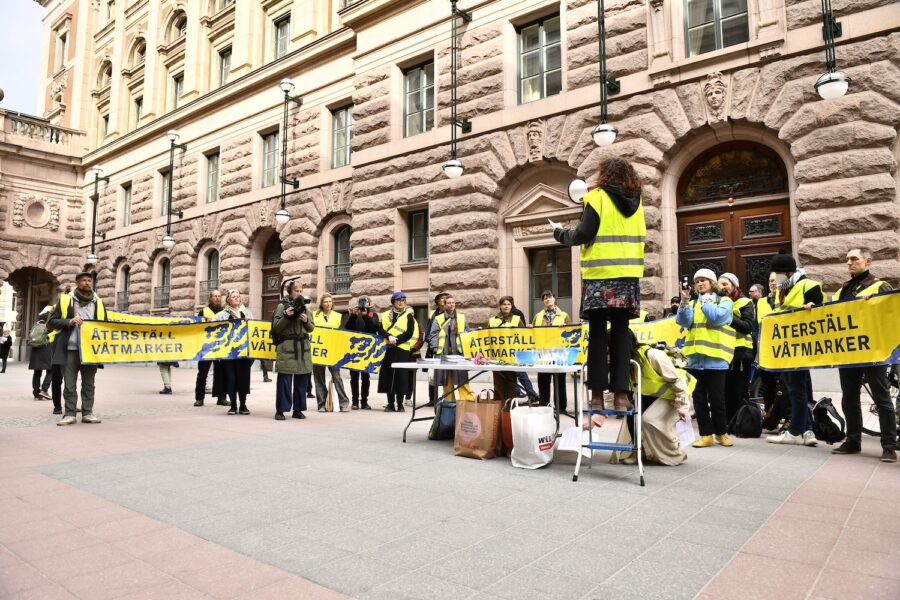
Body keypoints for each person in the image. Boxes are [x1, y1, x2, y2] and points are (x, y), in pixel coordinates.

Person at [553, 158, 646, 412]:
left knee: (596, 334)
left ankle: (596, 394)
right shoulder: (637, 203)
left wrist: (560, 233)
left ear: (605, 175)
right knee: (620, 333)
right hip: (628, 276)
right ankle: (621, 395)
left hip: (600, 275)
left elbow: (583, 234)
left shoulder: (597, 197)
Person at [830, 247, 897, 462]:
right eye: (847, 259)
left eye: (854, 259)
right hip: (849, 353)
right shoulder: (843, 290)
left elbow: (892, 313)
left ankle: (888, 446)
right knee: (850, 398)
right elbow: (830, 313)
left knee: (882, 398)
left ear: (868, 261)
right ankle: (853, 440)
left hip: (873, 352)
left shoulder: (880, 286)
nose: (849, 262)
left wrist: (877, 302)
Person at [610, 332, 696, 466]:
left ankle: (673, 455)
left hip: (676, 394)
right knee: (632, 415)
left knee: (650, 419)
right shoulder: (625, 362)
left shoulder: (652, 355)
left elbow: (678, 382)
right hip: (652, 395)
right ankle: (638, 451)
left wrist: (682, 406)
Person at [766, 253, 824, 446]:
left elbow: (822, 311)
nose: (775, 278)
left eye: (778, 273)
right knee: (796, 390)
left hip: (801, 346)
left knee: (797, 390)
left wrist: (813, 307)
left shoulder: (809, 285)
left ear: (789, 272)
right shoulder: (782, 290)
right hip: (786, 347)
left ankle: (795, 431)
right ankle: (807, 431)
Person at [676, 268, 735, 448]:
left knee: (717, 400)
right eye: (697, 281)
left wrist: (707, 301)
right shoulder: (693, 303)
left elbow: (716, 318)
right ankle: (706, 435)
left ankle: (721, 433)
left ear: (712, 283)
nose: (700, 283)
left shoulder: (724, 301)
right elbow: (683, 322)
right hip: (695, 360)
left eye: (704, 280)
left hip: (716, 359)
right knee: (699, 399)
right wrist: (685, 301)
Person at [48, 271, 109, 425]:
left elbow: (105, 325)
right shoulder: (65, 300)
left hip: (90, 350)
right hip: (69, 349)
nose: (87, 283)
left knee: (89, 384)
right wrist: (70, 321)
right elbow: (52, 322)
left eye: (89, 280)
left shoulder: (98, 302)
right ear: (77, 282)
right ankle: (70, 414)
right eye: (84, 280)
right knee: (69, 384)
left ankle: (88, 412)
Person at [272, 279, 314, 420]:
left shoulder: (306, 308)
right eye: (296, 290)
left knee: (302, 381)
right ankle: (281, 410)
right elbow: (276, 327)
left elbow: (311, 328)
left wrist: (305, 321)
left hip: (303, 349)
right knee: (284, 381)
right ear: (290, 292)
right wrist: (286, 316)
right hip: (287, 348)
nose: (299, 292)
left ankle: (298, 410)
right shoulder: (282, 306)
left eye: (301, 290)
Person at [718, 273, 755, 425]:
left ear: (734, 286)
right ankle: (728, 422)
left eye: (725, 284)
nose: (722, 287)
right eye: (720, 284)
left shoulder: (745, 302)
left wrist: (728, 316)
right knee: (725, 390)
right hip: (723, 352)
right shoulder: (718, 302)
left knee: (739, 390)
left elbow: (747, 327)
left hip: (740, 352)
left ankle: (741, 423)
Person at [428, 294, 474, 401]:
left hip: (458, 353)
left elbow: (467, 333)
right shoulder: (438, 319)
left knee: (462, 378)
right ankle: (449, 403)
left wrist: (466, 349)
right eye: (449, 303)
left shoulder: (462, 317)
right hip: (444, 354)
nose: (451, 305)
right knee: (447, 381)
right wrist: (436, 349)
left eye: (453, 303)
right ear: (444, 305)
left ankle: (467, 401)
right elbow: (433, 335)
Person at [215, 289, 254, 415]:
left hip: (243, 353)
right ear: (228, 300)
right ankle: (233, 405)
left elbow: (253, 329)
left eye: (238, 296)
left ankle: (243, 405)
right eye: (233, 297)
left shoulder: (247, 313)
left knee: (243, 378)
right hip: (229, 353)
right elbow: (215, 331)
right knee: (231, 378)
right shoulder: (221, 315)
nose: (236, 298)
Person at [378, 291, 417, 412]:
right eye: (399, 300)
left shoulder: (408, 315)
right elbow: (380, 329)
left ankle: (400, 404)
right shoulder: (385, 315)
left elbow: (410, 332)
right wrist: (388, 336)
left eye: (403, 300)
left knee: (401, 376)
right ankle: (390, 404)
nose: (401, 302)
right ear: (393, 302)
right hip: (387, 348)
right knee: (388, 375)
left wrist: (397, 340)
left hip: (402, 349)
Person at [532, 290, 571, 412]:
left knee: (559, 381)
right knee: (543, 380)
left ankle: (561, 407)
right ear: (543, 301)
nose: (547, 299)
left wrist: (566, 327)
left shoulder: (564, 315)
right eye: (545, 298)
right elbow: (532, 332)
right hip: (542, 353)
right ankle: (544, 406)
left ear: (554, 299)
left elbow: (571, 333)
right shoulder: (537, 316)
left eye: (549, 297)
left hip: (559, 353)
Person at [312, 293, 351, 412]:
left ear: (332, 303)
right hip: (318, 351)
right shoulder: (314, 315)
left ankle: (344, 402)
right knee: (319, 377)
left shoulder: (338, 316)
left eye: (330, 301)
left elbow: (342, 334)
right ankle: (322, 404)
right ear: (321, 304)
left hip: (333, 350)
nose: (328, 304)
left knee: (336, 376)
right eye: (326, 302)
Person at [195, 290, 227, 407]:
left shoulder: (225, 312)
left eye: (219, 296)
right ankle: (199, 398)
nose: (217, 298)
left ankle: (221, 398)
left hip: (221, 346)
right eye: (215, 296)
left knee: (222, 373)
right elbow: (197, 328)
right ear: (210, 298)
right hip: (206, 347)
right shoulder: (203, 312)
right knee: (202, 373)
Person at [488, 296, 524, 402]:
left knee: (511, 383)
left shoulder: (517, 319)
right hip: (497, 357)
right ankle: (498, 408)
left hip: (511, 357)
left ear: (511, 306)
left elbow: (524, 335)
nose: (506, 306)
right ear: (500, 306)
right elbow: (487, 336)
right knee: (498, 384)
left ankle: (510, 408)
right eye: (504, 304)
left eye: (508, 304)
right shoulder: (492, 320)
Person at [345, 295, 378, 409]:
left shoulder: (373, 315)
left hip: (368, 350)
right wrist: (354, 316)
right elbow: (347, 329)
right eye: (361, 303)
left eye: (365, 303)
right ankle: (355, 402)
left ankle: (364, 401)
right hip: (354, 350)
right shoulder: (353, 315)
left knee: (365, 377)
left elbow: (374, 328)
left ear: (370, 304)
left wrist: (365, 316)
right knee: (354, 377)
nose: (363, 306)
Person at [423, 292, 449, 405]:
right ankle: (432, 399)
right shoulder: (433, 314)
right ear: (438, 302)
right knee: (433, 375)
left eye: (445, 299)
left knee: (446, 375)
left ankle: (446, 398)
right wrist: (432, 344)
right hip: (434, 348)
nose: (443, 301)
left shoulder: (451, 313)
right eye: (441, 299)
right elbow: (429, 330)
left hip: (447, 349)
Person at [27, 306, 55, 401]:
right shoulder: (51, 319)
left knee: (37, 372)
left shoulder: (38, 320)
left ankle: (36, 394)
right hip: (46, 347)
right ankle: (44, 389)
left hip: (36, 348)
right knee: (51, 370)